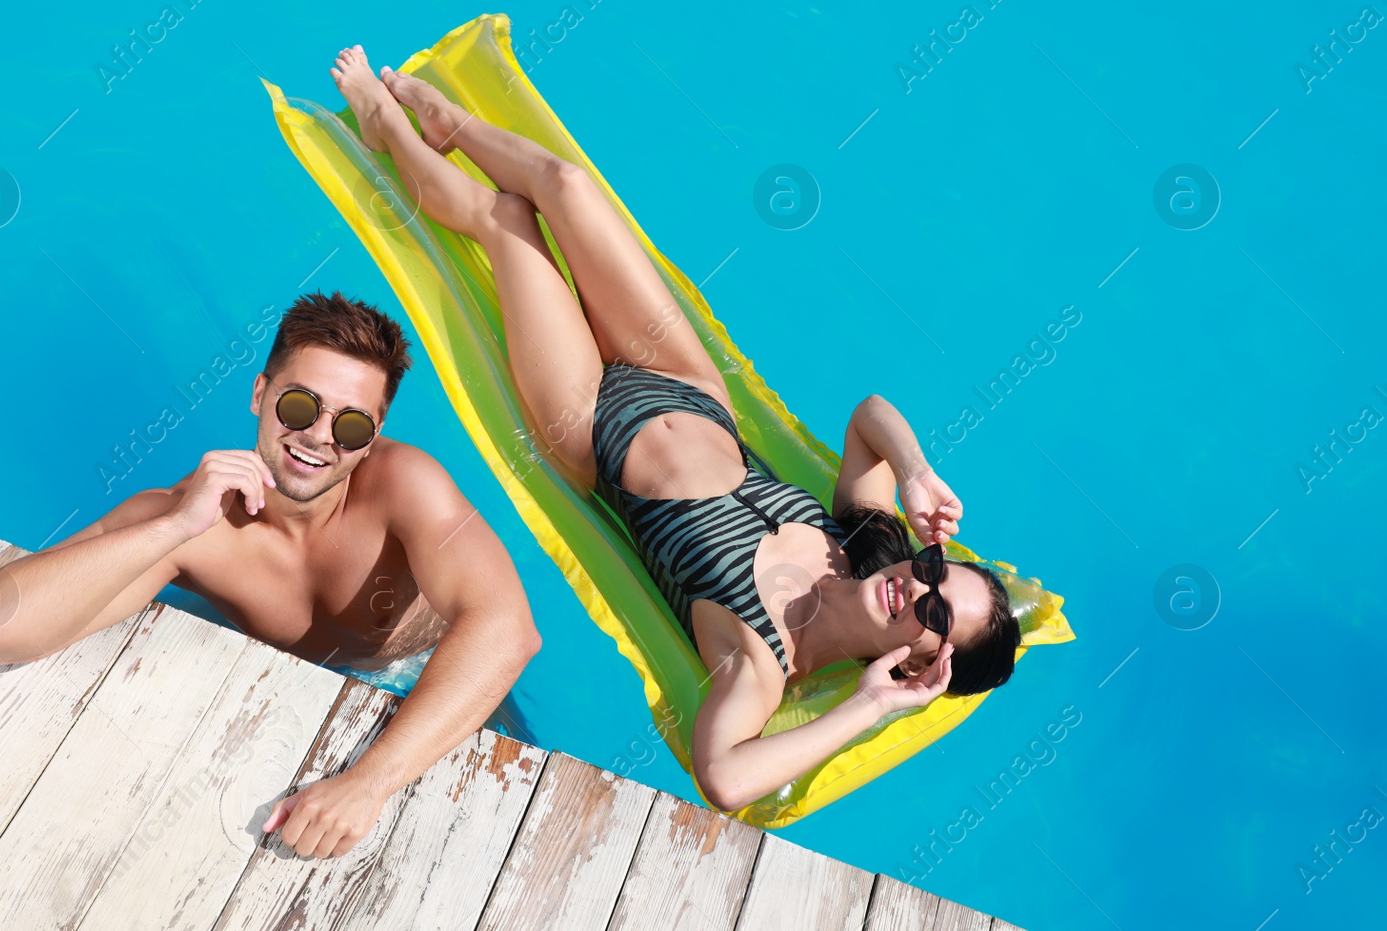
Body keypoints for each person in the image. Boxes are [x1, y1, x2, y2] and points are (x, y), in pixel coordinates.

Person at [323, 44, 1020, 814]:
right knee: (565, 186)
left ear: (923, 660)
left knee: (507, 220)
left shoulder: (762, 659)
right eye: (933, 572)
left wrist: (871, 707)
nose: (913, 587)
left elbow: (722, 777)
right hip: (687, 385)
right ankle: (450, 123)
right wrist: (917, 471)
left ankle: (386, 126)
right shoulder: (867, 542)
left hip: (590, 423)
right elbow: (869, 416)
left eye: (932, 612)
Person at [0, 290, 542, 855]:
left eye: (352, 427)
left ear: (373, 439)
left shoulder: (404, 487)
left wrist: (369, 782)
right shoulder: (188, 519)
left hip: (432, 675)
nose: (319, 436)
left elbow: (507, 630)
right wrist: (173, 530)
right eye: (300, 406)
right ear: (260, 393)